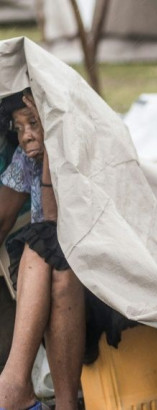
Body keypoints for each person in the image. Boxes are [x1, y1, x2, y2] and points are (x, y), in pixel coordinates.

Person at [0, 90, 85, 410]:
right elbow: (3, 218)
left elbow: (51, 218)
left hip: (99, 279)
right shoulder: (26, 158)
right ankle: (64, 405)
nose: (26, 136)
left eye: (34, 122)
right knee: (55, 271)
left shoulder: (73, 148)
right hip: (57, 276)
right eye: (18, 128)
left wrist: (51, 147)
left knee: (40, 244)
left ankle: (13, 384)